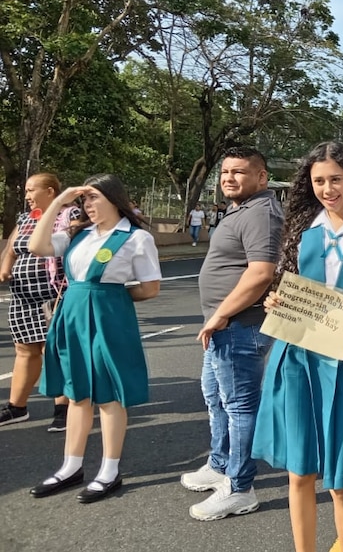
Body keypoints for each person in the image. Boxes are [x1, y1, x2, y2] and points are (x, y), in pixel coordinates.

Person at [251, 142, 343, 552]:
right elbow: (287, 284)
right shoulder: (301, 229)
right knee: (300, 473)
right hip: (295, 355)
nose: (327, 188)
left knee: (341, 478)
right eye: (319, 180)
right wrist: (275, 300)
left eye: (335, 179)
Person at [26, 174, 161, 502]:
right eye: (84, 200)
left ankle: (109, 470)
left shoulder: (136, 238)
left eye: (94, 198)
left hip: (108, 320)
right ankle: (70, 466)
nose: (88, 205)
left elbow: (149, 287)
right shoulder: (77, 234)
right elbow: (36, 245)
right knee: (76, 394)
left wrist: (110, 299)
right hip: (71, 317)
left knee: (108, 395)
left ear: (114, 199)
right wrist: (59, 201)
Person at [182, 146, 283, 521]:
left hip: (240, 326)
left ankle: (240, 487)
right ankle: (219, 464)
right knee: (216, 398)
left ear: (261, 176)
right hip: (224, 325)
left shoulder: (262, 213)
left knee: (239, 406)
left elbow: (261, 273)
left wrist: (220, 314)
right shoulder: (241, 209)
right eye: (225, 172)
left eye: (239, 172)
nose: (229, 178)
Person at [0, 174, 78, 431]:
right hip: (23, 297)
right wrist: (5, 267)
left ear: (51, 191)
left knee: (54, 351)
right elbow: (12, 248)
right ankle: (16, 407)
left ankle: (63, 408)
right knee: (24, 350)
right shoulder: (25, 218)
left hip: (54, 295)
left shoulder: (70, 215)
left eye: (31, 190)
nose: (27, 196)